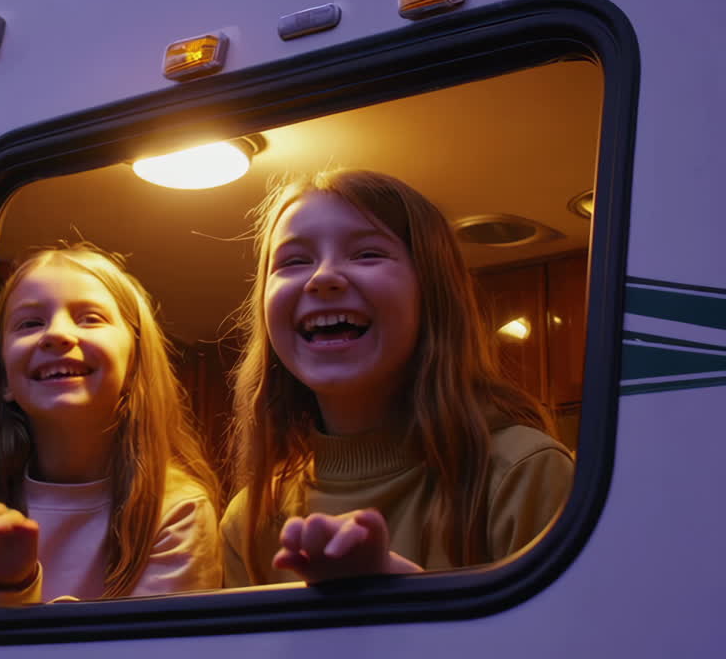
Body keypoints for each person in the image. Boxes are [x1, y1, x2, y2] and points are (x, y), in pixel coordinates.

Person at [220, 169, 574, 587]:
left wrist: (403, 601)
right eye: (295, 261)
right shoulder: (249, 519)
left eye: (367, 254)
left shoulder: (523, 474)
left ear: (433, 292)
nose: (323, 278)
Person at [0, 244, 222, 606]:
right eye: (30, 323)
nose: (57, 334)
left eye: (90, 318)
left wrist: (12, 588)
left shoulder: (178, 511)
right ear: (4, 381)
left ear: (135, 367)